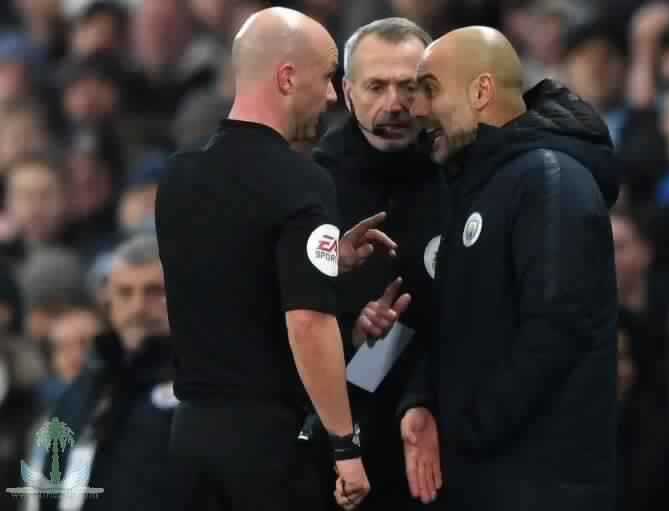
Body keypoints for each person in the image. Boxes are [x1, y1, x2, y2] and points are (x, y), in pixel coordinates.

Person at [155, 7, 396, 511]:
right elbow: (307, 323)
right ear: (287, 77)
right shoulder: (301, 182)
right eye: (328, 77)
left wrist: (324, 261)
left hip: (188, 441)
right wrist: (345, 446)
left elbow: (232, 276)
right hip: (265, 450)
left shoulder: (178, 176)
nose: (333, 96)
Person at [398, 27, 621, 510]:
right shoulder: (474, 187)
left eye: (430, 89)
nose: (417, 110)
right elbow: (454, 325)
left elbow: (558, 325)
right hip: (488, 481)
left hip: (544, 486)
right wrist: (421, 400)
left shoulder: (550, 179)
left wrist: (471, 426)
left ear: (480, 92)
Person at [311, 17, 444, 510]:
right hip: (344, 440)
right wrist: (351, 327)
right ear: (347, 93)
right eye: (376, 86)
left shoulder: (461, 174)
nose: (394, 103)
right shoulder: (314, 188)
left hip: (450, 424)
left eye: (409, 86)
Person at [39, 235, 177, 511]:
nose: (137, 307)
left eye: (153, 291)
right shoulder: (84, 387)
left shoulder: (200, 386)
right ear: (108, 301)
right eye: (125, 292)